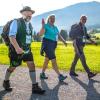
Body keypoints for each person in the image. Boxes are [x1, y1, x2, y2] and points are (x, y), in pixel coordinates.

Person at [3, 6, 45, 94]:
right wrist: (17, 48)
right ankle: (6, 81)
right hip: (16, 50)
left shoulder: (30, 24)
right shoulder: (16, 22)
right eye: (27, 12)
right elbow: (11, 36)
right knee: (13, 67)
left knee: (31, 65)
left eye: (31, 13)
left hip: (27, 50)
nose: (30, 14)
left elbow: (37, 36)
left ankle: (34, 86)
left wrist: (43, 27)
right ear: (22, 13)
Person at [38, 14, 67, 82]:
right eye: (51, 18)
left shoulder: (55, 27)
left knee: (47, 60)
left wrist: (64, 41)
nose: (53, 19)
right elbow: (40, 34)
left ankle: (42, 74)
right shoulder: (46, 26)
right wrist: (42, 26)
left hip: (53, 44)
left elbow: (59, 35)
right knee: (53, 59)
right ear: (49, 19)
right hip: (47, 44)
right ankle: (59, 76)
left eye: (54, 18)